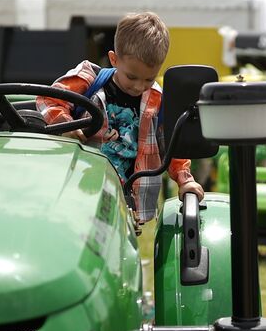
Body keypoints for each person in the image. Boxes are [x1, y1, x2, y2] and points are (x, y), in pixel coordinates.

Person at [37, 12, 202, 224]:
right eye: (131, 76)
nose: (138, 86)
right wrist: (65, 123)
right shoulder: (91, 80)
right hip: (83, 186)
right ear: (114, 59)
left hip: (128, 199)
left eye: (148, 79)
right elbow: (49, 98)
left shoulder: (158, 101)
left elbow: (171, 145)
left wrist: (184, 180)